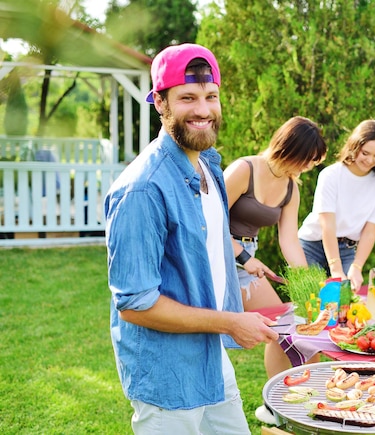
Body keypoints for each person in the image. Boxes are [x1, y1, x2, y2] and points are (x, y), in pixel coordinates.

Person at [104, 43, 278, 435]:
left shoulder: (210, 167)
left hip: (211, 359)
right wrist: (231, 323)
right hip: (167, 378)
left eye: (210, 96)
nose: (203, 109)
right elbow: (136, 305)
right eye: (187, 98)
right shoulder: (143, 189)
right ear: (160, 103)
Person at [224, 116, 326, 372]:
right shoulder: (244, 170)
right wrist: (244, 258)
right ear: (291, 149)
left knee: (284, 327)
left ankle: (280, 403)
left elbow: (289, 239)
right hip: (215, 256)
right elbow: (208, 223)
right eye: (308, 159)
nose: (308, 167)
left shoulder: (291, 187)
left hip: (247, 259)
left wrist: (307, 282)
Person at [298, 119, 375, 291]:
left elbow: (369, 232)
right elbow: (327, 224)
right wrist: (335, 269)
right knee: (311, 301)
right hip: (312, 245)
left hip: (347, 249)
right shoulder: (331, 175)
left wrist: (357, 266)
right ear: (355, 146)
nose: (370, 160)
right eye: (365, 153)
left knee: (346, 304)